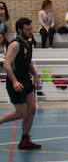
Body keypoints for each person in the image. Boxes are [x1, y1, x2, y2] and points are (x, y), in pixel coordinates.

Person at [1, 18, 42, 149]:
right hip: (16, 82)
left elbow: (27, 61)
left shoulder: (28, 44)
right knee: (21, 113)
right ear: (20, 30)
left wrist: (35, 74)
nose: (31, 32)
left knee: (32, 110)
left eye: (31, 29)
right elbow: (6, 64)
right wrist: (14, 81)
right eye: (28, 29)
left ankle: (25, 139)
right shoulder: (15, 44)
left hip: (26, 81)